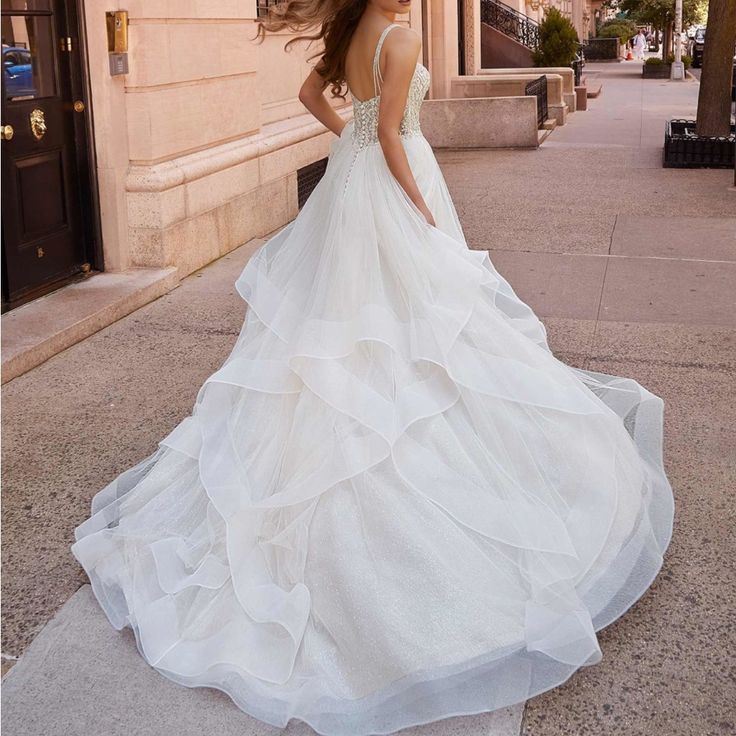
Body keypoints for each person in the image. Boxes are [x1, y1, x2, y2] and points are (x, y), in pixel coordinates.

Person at [70, 0, 675, 734]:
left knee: (347, 327)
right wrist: (418, 205)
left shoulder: (350, 29)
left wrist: (347, 139)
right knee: (412, 325)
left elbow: (324, 106)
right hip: (390, 177)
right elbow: (391, 132)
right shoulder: (402, 33)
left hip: (348, 179)